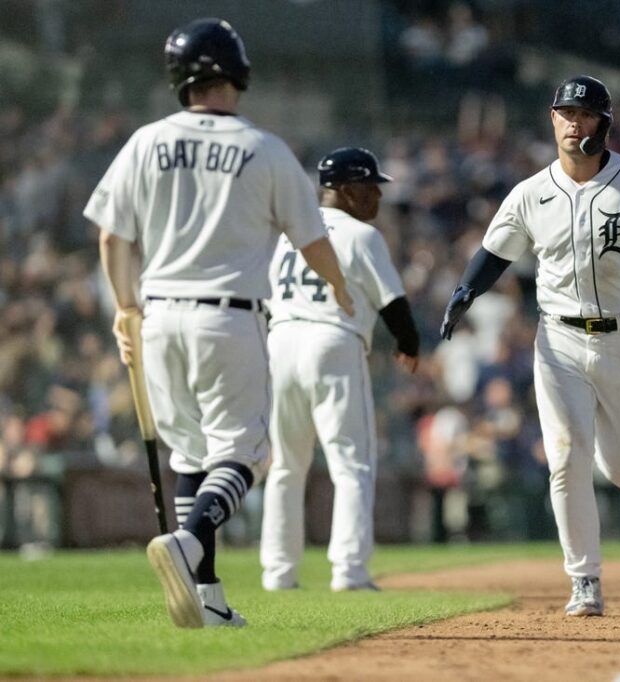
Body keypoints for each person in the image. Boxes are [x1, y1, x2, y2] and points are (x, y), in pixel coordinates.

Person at [84, 18, 354, 628]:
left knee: (188, 455)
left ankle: (205, 598)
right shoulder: (264, 147)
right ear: (239, 72)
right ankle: (194, 538)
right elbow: (311, 238)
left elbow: (110, 238)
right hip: (227, 316)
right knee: (246, 456)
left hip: (157, 317)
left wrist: (124, 311)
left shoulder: (146, 141)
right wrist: (339, 286)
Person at [439, 75, 620, 616]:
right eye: (566, 113)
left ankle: (610, 511)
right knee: (565, 457)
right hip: (560, 340)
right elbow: (496, 250)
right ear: (552, 120)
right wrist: (464, 291)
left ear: (604, 125)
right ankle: (584, 579)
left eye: (585, 115)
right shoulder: (531, 192)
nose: (574, 123)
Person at [260, 147, 419, 592]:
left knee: (287, 467)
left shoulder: (289, 231)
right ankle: (349, 571)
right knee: (352, 464)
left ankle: (278, 573)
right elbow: (394, 303)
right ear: (347, 191)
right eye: (371, 188)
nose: (377, 198)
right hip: (332, 340)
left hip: (281, 341)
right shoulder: (361, 236)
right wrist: (409, 343)